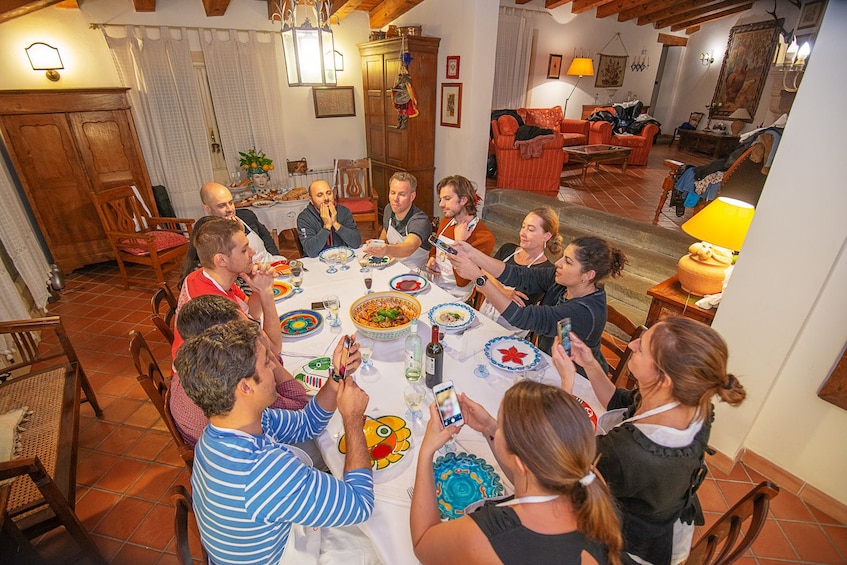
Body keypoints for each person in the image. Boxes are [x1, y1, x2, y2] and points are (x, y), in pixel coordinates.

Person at [175, 320, 373, 565]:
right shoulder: (265, 472)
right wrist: (352, 421)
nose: (275, 365)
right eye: (267, 363)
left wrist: (337, 375)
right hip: (280, 557)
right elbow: (361, 505)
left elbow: (307, 423)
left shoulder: (222, 428)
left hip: (267, 542)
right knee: (375, 543)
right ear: (245, 387)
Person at [551, 317, 746, 565]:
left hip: (634, 545)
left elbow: (563, 463)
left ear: (664, 379)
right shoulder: (694, 403)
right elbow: (617, 402)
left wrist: (567, 384)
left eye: (641, 347)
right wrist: (589, 363)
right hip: (662, 514)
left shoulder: (629, 451)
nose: (631, 345)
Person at [410, 381, 622, 565]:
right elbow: (533, 479)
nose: (497, 427)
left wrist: (426, 451)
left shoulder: (489, 534)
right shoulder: (590, 482)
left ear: (521, 464)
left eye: (501, 425)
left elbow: (423, 543)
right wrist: (490, 428)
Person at [450, 236, 626, 363]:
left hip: (576, 379)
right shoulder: (564, 281)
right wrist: (472, 253)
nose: (558, 263)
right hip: (549, 359)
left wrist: (479, 278)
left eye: (568, 262)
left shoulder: (585, 311)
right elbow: (519, 275)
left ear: (588, 275)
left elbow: (522, 317)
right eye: (563, 257)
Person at [169, 294, 309, 447]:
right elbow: (300, 407)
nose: (255, 332)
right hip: (267, 450)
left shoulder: (196, 369)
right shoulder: (241, 391)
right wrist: (267, 355)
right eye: (243, 332)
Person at [173, 217, 276, 358]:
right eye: (244, 250)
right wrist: (266, 293)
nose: (252, 252)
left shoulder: (203, 276)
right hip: (209, 376)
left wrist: (258, 289)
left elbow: (252, 313)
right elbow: (273, 349)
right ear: (221, 260)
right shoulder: (219, 311)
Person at [477, 207, 561, 333]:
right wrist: (502, 291)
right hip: (484, 317)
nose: (523, 233)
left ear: (546, 236)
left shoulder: (546, 271)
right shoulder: (508, 249)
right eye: (523, 226)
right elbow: (480, 278)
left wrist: (489, 283)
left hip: (510, 331)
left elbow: (517, 307)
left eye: (531, 229)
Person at [427, 175, 495, 301]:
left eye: (447, 199)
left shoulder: (484, 237)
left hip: (458, 299)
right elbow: (435, 249)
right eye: (441, 199)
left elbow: (462, 280)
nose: (441, 204)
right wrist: (431, 259)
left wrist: (460, 243)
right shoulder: (446, 222)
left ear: (463, 200)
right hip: (435, 288)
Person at [200, 181, 284, 264]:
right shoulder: (208, 235)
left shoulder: (246, 216)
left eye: (230, 203)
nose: (229, 209)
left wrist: (275, 261)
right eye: (222, 206)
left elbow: (266, 238)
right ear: (207, 209)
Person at [365, 171, 432, 270]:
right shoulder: (389, 209)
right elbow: (386, 230)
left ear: (412, 196)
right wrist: (377, 244)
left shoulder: (419, 220)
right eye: (393, 193)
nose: (395, 199)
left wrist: (387, 249)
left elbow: (409, 247)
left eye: (402, 194)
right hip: (394, 265)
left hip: (416, 273)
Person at [297, 179, 361, 257]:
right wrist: (327, 226)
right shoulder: (304, 218)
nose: (326, 198)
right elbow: (311, 251)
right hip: (316, 261)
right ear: (311, 200)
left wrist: (335, 223)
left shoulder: (343, 211)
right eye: (320, 195)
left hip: (340, 258)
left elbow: (356, 243)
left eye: (328, 193)